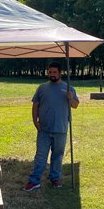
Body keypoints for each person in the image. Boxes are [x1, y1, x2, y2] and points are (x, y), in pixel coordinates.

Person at [22, 61, 79, 191]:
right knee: (40, 156)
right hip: (44, 129)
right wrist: (35, 121)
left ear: (60, 73)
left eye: (54, 72)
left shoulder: (69, 88)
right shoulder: (42, 88)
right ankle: (34, 180)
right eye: (50, 72)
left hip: (61, 128)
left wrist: (70, 98)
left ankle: (55, 178)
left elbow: (75, 105)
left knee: (57, 156)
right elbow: (35, 105)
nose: (52, 74)